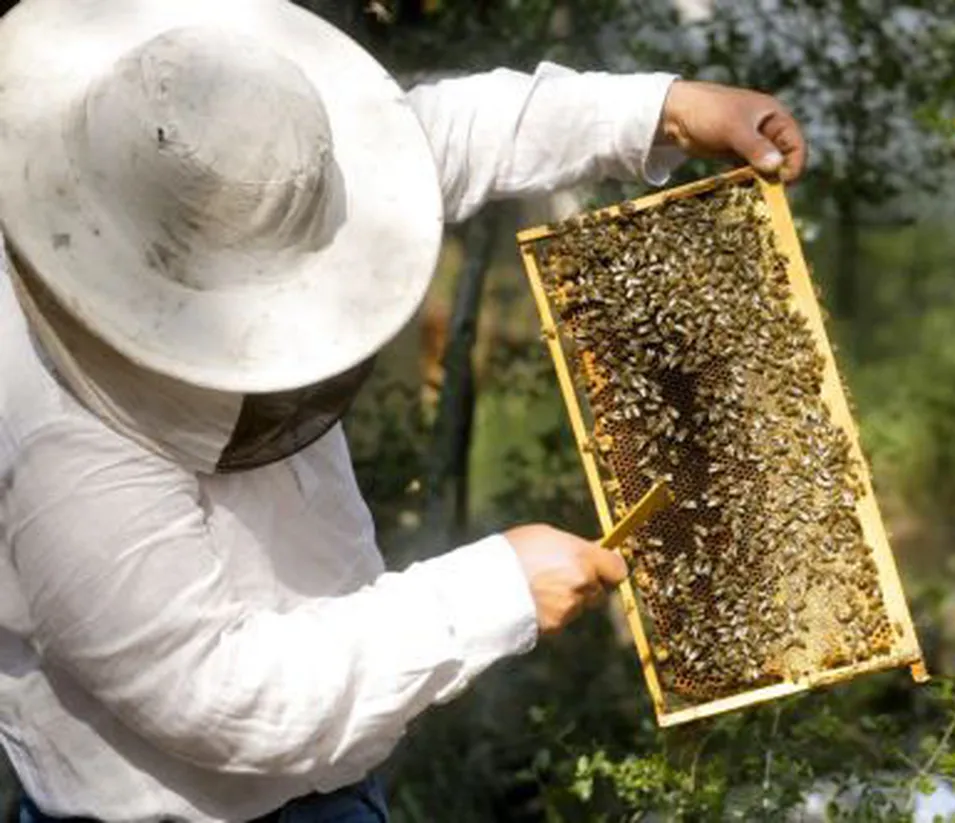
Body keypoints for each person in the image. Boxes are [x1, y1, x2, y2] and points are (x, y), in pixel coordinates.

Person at [0, 0, 807, 820]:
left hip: (337, 783)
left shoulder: (196, 164)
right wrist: (495, 589)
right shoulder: (50, 433)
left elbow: (425, 144)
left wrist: (665, 108)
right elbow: (215, 690)